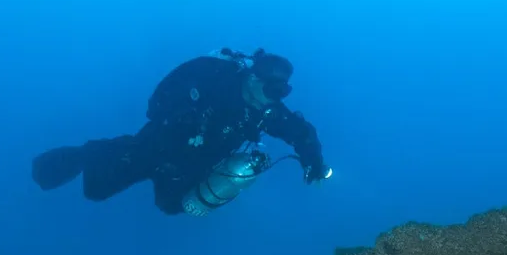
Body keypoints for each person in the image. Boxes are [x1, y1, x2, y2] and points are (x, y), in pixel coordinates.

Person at [32, 48, 329, 216]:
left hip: (195, 166)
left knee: (172, 207)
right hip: (155, 148)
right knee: (95, 190)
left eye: (283, 92)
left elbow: (302, 133)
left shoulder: (268, 112)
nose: (274, 98)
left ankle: (107, 157)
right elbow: (159, 100)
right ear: (252, 78)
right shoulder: (214, 81)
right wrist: (178, 115)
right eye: (271, 88)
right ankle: (87, 154)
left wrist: (313, 162)